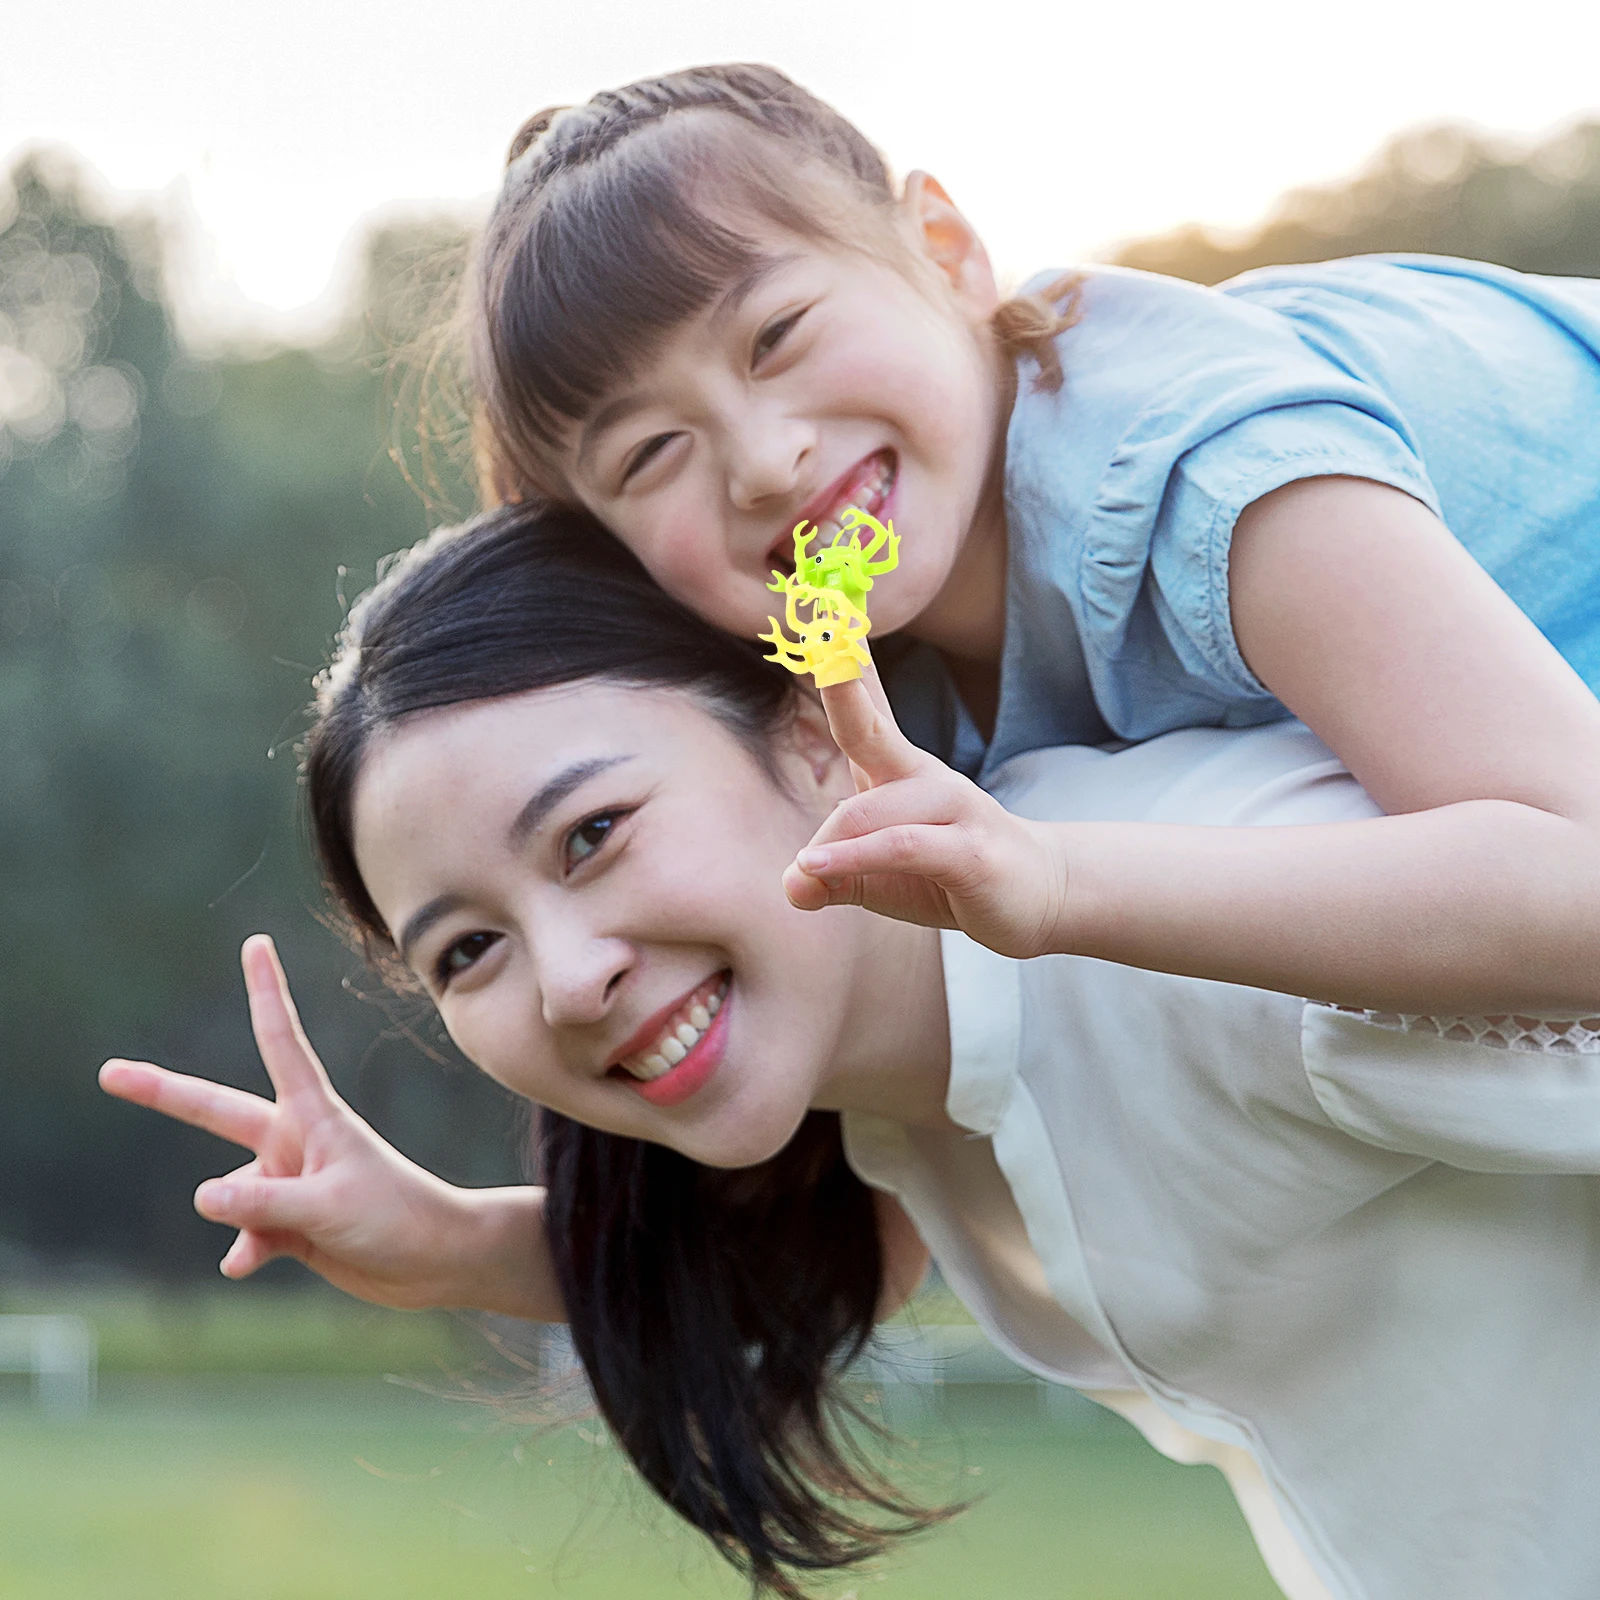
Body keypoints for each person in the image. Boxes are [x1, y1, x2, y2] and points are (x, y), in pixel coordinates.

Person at [103, 506, 1600, 1600]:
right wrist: (449, 1245)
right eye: (468, 951)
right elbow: (809, 1264)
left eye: (595, 834)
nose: (565, 979)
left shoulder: (1203, 917)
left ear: (816, 728)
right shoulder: (896, 1099)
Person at [462, 61, 1600, 1022]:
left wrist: (1056, 880)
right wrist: (468, 1239)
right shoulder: (858, 683)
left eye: (776, 334)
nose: (762, 462)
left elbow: (1584, 885)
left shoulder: (1200, 474)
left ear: (947, 253)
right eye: (649, 453)